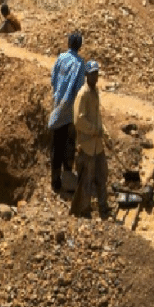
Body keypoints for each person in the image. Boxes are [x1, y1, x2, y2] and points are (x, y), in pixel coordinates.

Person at [70, 61, 110, 218]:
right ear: (86, 75)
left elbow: (98, 117)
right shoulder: (83, 94)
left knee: (102, 176)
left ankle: (103, 207)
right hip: (86, 145)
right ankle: (85, 211)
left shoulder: (95, 92)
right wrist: (94, 130)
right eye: (92, 73)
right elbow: (78, 120)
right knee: (86, 181)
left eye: (96, 73)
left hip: (97, 145)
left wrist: (105, 134)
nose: (95, 76)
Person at [49, 32, 85, 193]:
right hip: (70, 110)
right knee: (68, 144)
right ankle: (67, 176)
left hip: (58, 106)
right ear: (80, 46)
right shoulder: (80, 64)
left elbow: (53, 80)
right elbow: (79, 90)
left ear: (69, 43)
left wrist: (58, 93)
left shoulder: (61, 58)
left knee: (57, 144)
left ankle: (55, 180)